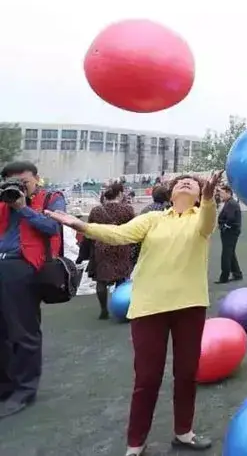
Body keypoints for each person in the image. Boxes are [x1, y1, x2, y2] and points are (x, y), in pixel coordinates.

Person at [47, 171, 222, 454]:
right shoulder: (152, 219)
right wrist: (80, 225)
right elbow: (119, 235)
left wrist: (210, 198)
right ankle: (135, 444)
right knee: (147, 379)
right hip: (149, 306)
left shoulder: (201, 219)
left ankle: (184, 432)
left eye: (193, 182)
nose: (185, 182)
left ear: (200, 194)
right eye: (180, 181)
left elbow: (208, 221)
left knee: (186, 374)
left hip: (190, 306)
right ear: (171, 192)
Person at [0, 160, 66, 419]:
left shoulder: (51, 198)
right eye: (11, 182)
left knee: (23, 331)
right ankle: (5, 386)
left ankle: (25, 390)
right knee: (2, 332)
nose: (18, 186)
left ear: (37, 179)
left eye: (24, 182)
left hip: (23, 267)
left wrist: (22, 207)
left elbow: (53, 227)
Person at [87, 182, 138, 320]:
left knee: (101, 280)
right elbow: (134, 228)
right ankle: (121, 306)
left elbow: (89, 229)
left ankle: (103, 310)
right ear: (120, 194)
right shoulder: (127, 209)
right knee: (121, 278)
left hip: (101, 246)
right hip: (121, 245)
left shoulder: (96, 211)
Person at [215, 185, 243, 284]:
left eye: (222, 193)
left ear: (228, 193)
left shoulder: (231, 204)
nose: (220, 195)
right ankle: (237, 274)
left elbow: (230, 218)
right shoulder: (230, 203)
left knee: (226, 254)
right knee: (230, 253)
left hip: (230, 232)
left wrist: (225, 226)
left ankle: (224, 277)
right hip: (231, 231)